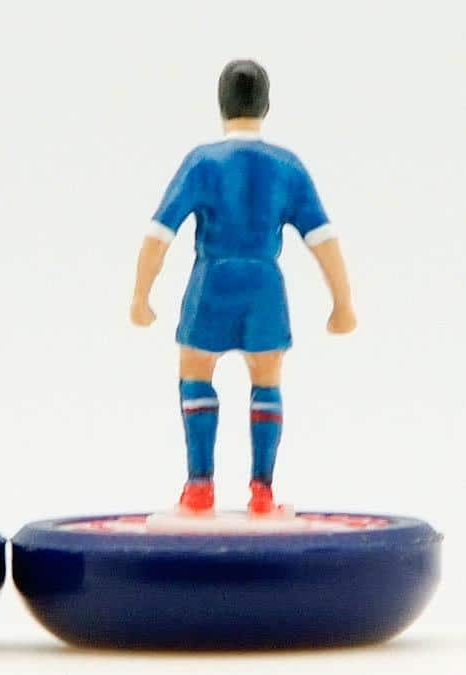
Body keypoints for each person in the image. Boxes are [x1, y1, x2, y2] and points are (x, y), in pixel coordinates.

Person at [130, 60, 356, 515]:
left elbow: (159, 233)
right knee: (267, 379)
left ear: (221, 105)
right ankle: (262, 491)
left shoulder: (202, 162)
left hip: (211, 282)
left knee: (195, 372)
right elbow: (323, 239)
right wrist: (342, 303)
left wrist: (141, 295)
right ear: (266, 106)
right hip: (263, 287)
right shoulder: (287, 166)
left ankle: (199, 486)